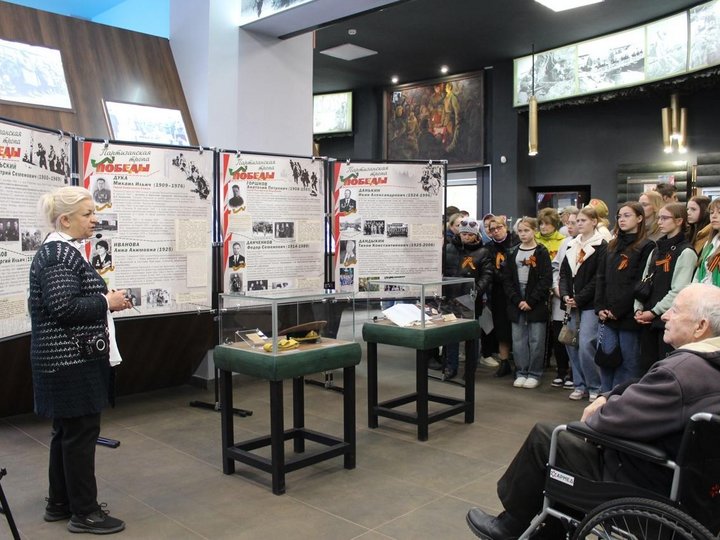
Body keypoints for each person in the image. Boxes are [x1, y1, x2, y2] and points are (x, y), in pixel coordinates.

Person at [466, 283, 720, 540]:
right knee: (571, 451)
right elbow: (640, 388)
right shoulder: (706, 367)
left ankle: (510, 526)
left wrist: (601, 408)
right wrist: (608, 396)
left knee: (549, 438)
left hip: (642, 481)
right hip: (692, 495)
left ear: (700, 326)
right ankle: (550, 531)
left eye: (675, 310)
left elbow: (608, 421)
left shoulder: (681, 373)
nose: (665, 316)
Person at [29, 186, 131, 534]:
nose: (94, 219)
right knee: (80, 436)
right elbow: (64, 307)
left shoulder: (61, 251)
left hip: (65, 360)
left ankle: (60, 503)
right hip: (70, 362)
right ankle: (85, 513)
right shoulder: (58, 255)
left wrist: (106, 301)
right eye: (87, 214)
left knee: (67, 433)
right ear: (65, 220)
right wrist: (106, 302)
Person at [595, 201, 655, 393]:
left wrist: (618, 310)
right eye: (619, 216)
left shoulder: (647, 246)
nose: (621, 219)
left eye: (627, 215)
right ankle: (604, 398)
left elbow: (639, 282)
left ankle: (622, 402)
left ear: (639, 218)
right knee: (606, 360)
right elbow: (601, 277)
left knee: (629, 362)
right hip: (607, 314)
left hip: (628, 315)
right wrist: (600, 307)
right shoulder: (611, 246)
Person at [635, 203, 697, 369]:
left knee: (665, 367)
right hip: (647, 320)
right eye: (659, 218)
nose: (659, 222)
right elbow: (644, 281)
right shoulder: (656, 250)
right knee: (647, 367)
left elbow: (679, 290)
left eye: (664, 218)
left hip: (668, 321)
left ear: (679, 221)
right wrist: (638, 308)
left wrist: (654, 312)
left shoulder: (686, 252)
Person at [560, 206, 606, 401]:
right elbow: (564, 274)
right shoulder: (571, 244)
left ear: (594, 222)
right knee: (571, 343)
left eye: (583, 220)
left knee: (587, 344)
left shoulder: (602, 245)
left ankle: (595, 385)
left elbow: (598, 278)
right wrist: (565, 295)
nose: (579, 223)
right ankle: (579, 384)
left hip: (589, 303)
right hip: (570, 302)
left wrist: (579, 298)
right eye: (577, 220)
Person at [502, 217, 552, 389]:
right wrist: (517, 300)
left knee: (536, 339)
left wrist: (531, 300)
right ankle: (521, 372)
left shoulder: (541, 251)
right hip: (517, 298)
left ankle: (534, 373)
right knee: (518, 339)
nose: (523, 234)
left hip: (535, 299)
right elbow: (507, 279)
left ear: (534, 231)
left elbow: (546, 279)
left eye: (527, 230)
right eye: (520, 231)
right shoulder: (512, 252)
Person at [443, 218, 493, 380]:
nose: (466, 237)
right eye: (463, 233)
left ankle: (470, 370)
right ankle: (450, 367)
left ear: (476, 235)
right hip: (450, 298)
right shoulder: (448, 248)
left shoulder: (483, 252)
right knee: (450, 336)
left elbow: (487, 275)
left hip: (471, 299)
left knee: (472, 337)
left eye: (470, 234)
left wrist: (476, 291)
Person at [485, 215, 519, 377]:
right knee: (501, 328)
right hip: (498, 292)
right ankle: (504, 362)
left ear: (505, 227)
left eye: (499, 228)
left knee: (518, 328)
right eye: (492, 229)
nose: (496, 231)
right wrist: (502, 277)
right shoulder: (488, 248)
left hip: (516, 291)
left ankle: (520, 364)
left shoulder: (516, 242)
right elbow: (489, 269)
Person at [550, 207, 578, 388]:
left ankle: (575, 374)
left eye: (574, 223)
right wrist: (556, 288)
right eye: (568, 223)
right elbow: (556, 269)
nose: (570, 226)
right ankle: (561, 370)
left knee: (575, 338)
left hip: (577, 299)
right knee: (559, 335)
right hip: (560, 297)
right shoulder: (565, 243)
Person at [694, 197, 720, 286]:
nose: (714, 216)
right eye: (711, 212)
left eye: (719, 212)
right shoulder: (709, 244)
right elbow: (697, 276)